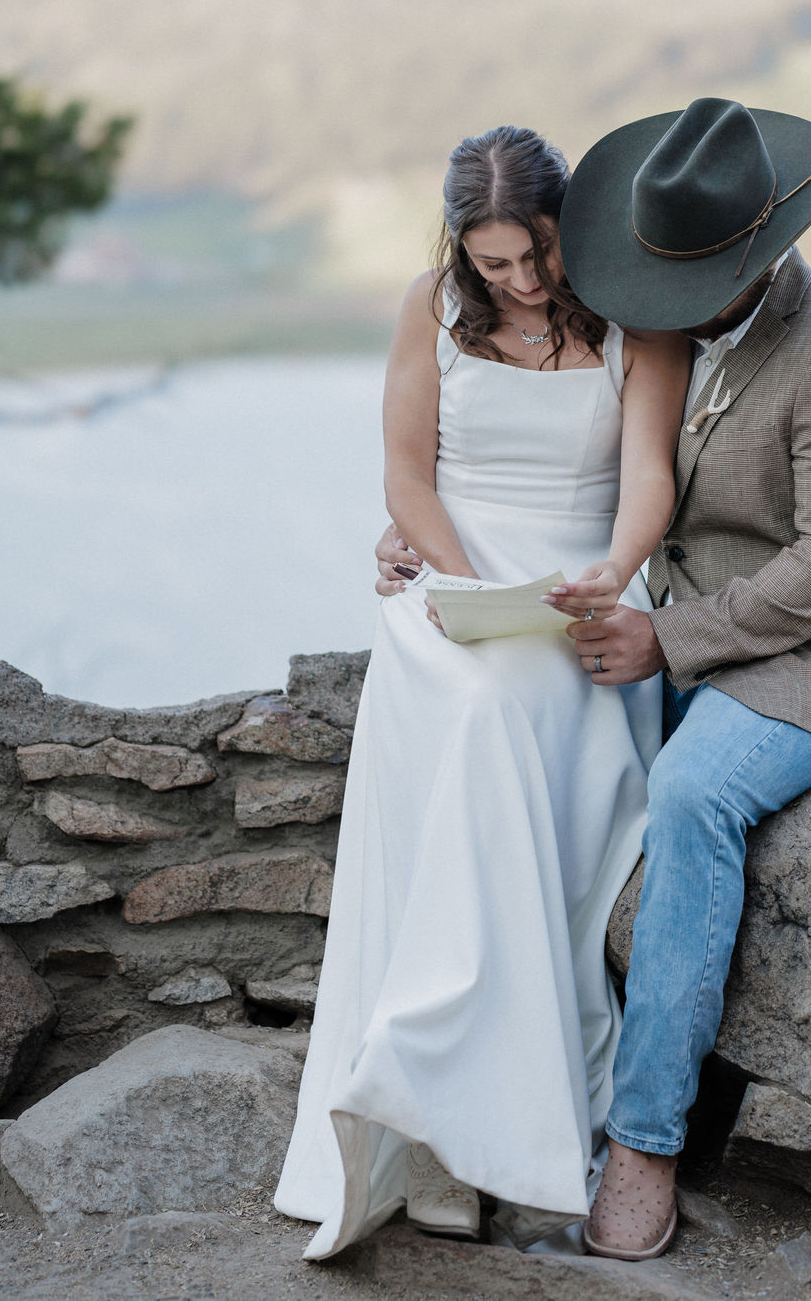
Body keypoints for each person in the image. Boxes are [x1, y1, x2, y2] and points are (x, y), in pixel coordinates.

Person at [374, 98, 811, 1261]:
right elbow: (532, 460)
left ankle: (641, 1141)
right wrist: (409, 539)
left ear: (758, 254)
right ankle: (479, 1086)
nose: (644, 299)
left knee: (687, 796)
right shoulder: (652, 303)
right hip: (669, 626)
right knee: (539, 751)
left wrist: (667, 645)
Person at [274, 125, 692, 1259]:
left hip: (569, 594)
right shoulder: (429, 308)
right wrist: (449, 577)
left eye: (536, 253)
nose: (516, 279)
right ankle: (429, 1131)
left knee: (512, 706)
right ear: (460, 249)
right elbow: (407, 470)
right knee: (470, 700)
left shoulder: (636, 319)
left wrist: (610, 573)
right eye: (492, 260)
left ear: (571, 226)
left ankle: (460, 1118)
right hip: (452, 584)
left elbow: (647, 477)